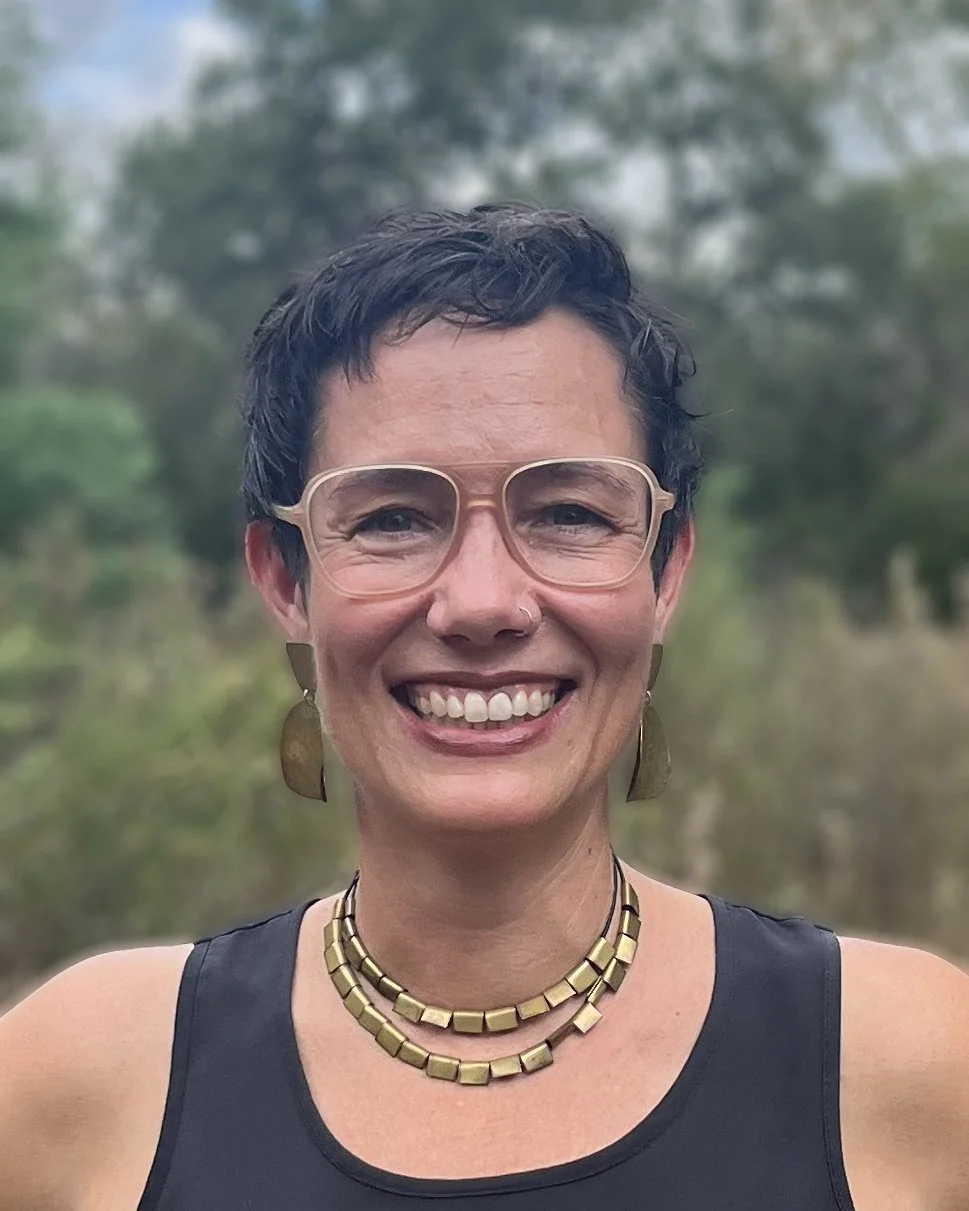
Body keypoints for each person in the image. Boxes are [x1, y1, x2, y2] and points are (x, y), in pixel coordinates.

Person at [1, 204, 967, 1211]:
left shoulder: (905, 1068)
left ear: (666, 569)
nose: (481, 602)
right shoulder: (82, 1083)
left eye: (568, 513)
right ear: (285, 579)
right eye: (391, 518)